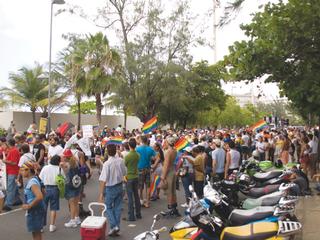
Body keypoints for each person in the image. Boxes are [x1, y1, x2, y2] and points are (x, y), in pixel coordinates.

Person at [99, 144, 127, 236]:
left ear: (107, 152)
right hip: (119, 186)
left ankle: (114, 225)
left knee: (108, 207)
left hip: (110, 187)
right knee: (117, 207)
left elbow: (103, 180)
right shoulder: (121, 161)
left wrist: (101, 194)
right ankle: (115, 227)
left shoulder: (107, 164)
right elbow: (124, 173)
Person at [21, 160, 45, 240]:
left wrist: (29, 205)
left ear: (28, 170)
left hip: (35, 210)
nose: (21, 172)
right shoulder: (34, 179)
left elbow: (40, 196)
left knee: (36, 233)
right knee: (36, 232)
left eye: (22, 169)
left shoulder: (32, 182)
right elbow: (44, 192)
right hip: (37, 209)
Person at [39, 155, 64, 232]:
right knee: (53, 208)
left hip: (45, 188)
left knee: (43, 208)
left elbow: (40, 178)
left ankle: (41, 227)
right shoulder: (59, 169)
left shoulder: (45, 167)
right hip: (55, 189)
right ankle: (52, 226)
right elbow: (64, 179)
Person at [60, 149, 81, 228]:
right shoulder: (76, 162)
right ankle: (77, 218)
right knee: (76, 202)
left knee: (71, 203)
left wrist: (61, 166)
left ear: (66, 157)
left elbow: (64, 174)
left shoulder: (65, 165)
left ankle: (72, 221)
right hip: (77, 184)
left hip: (70, 185)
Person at [160, 137, 180, 217]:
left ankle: (170, 209)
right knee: (173, 191)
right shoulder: (174, 150)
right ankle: (174, 208)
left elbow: (166, 165)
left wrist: (163, 176)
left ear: (168, 142)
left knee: (169, 192)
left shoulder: (168, 151)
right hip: (173, 171)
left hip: (168, 173)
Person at [123, 138, 141, 221]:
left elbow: (124, 165)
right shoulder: (137, 155)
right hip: (136, 176)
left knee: (130, 197)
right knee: (136, 195)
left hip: (129, 177)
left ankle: (131, 216)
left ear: (129, 146)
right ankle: (138, 213)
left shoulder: (128, 156)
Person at [136, 135, 156, 208]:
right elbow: (155, 158)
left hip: (140, 168)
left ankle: (140, 200)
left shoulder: (138, 149)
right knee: (147, 186)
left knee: (140, 186)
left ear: (141, 140)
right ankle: (147, 202)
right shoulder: (150, 149)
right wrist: (150, 159)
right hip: (147, 168)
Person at [2, 138, 21, 211]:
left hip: (13, 171)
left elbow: (14, 163)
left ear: (9, 143)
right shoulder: (12, 150)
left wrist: (5, 161)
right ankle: (17, 200)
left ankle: (8, 204)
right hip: (11, 171)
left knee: (10, 187)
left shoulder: (13, 151)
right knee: (13, 187)